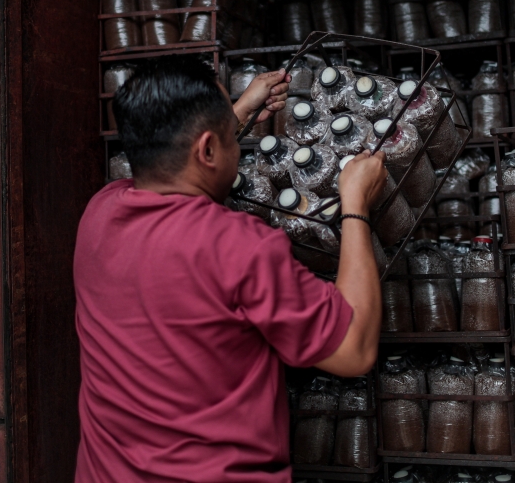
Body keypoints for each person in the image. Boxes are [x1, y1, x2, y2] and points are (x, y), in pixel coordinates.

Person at [74, 56, 386, 483]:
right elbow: (355, 350)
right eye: (229, 138)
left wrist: (233, 115)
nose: (237, 148)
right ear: (206, 150)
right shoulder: (241, 247)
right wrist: (355, 204)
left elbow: (177, 168)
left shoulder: (98, 214)